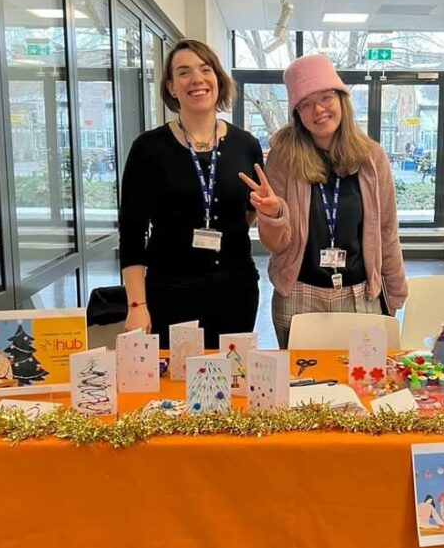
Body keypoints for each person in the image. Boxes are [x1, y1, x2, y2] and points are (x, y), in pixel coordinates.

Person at [119, 39, 280, 348]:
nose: (196, 79)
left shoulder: (244, 145)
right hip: (170, 293)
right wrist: (136, 306)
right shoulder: (148, 148)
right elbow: (132, 234)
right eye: (184, 72)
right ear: (171, 87)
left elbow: (246, 211)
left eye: (205, 69)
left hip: (236, 291)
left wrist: (269, 210)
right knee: (177, 389)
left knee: (232, 382)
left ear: (218, 79)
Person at [244, 54, 407, 347]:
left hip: (360, 295)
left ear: (341, 98)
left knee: (361, 385)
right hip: (298, 295)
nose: (318, 110)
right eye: (305, 104)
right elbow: (277, 244)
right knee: (301, 386)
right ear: (296, 113)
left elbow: (386, 230)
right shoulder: (284, 157)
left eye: (326, 97)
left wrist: (394, 292)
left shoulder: (372, 158)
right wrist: (273, 214)